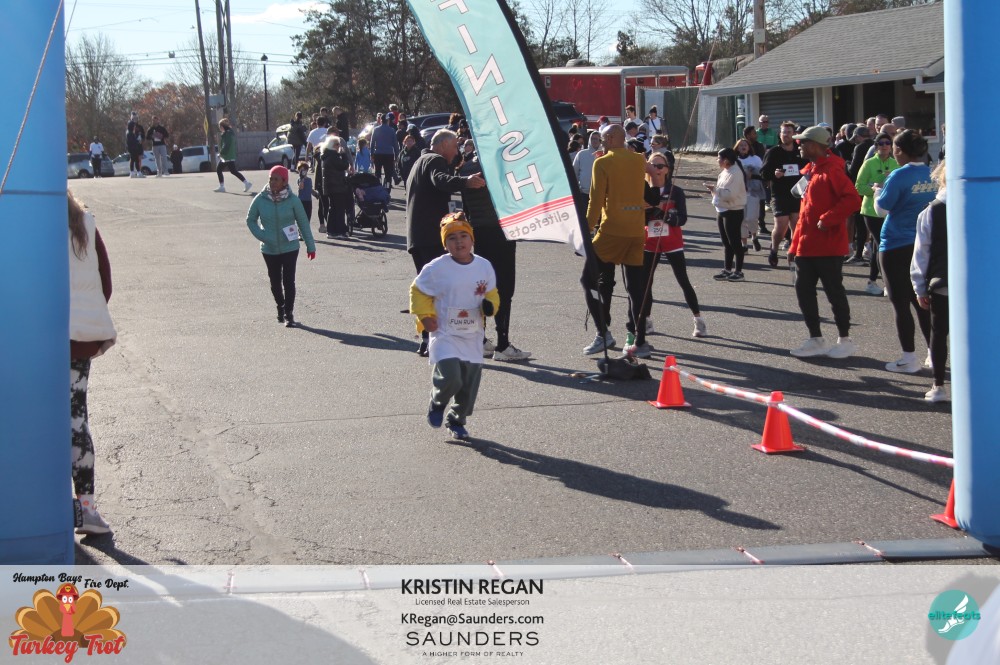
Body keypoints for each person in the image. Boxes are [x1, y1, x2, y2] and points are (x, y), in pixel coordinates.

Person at [410, 213, 499, 441]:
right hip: (445, 333)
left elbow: (492, 293)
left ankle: (457, 419)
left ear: (472, 239)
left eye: (463, 236)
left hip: (472, 335)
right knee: (451, 376)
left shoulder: (484, 266)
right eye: (451, 238)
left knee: (468, 385)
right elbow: (418, 291)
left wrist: (491, 306)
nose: (459, 242)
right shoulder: (436, 268)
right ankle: (438, 401)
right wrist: (425, 316)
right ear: (445, 244)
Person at [405, 129, 486, 356]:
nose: (456, 152)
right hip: (431, 236)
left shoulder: (419, 161)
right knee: (441, 289)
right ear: (443, 145)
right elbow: (440, 180)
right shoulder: (435, 160)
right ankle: (439, 340)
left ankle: (426, 338)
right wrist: (465, 182)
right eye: (454, 147)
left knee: (427, 288)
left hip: (417, 236)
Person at [786, 126, 862, 358]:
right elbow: (804, 215)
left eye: (803, 142)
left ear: (815, 145)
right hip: (806, 246)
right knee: (804, 291)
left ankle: (845, 339)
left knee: (834, 292)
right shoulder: (812, 171)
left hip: (828, 246)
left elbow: (852, 199)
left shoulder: (831, 170)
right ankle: (816, 338)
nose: (799, 146)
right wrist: (794, 246)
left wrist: (828, 219)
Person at [68, 190, 117, 535]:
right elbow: (106, 283)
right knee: (76, 418)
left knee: (35, 419)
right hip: (79, 339)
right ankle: (86, 508)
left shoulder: (21, 220)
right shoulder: (85, 222)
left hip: (31, 340)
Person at [582, 124, 649, 356]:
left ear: (610, 138)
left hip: (611, 230)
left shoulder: (602, 163)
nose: (600, 143)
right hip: (636, 230)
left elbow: (595, 200)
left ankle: (603, 332)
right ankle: (640, 340)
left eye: (602, 139)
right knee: (635, 287)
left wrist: (587, 229)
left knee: (589, 280)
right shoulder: (638, 160)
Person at [628, 152, 706, 348]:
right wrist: (647, 213)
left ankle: (698, 319)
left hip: (672, 241)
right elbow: (636, 215)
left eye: (660, 166)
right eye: (652, 165)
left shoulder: (676, 191)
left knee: (683, 279)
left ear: (667, 169)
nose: (656, 169)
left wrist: (666, 216)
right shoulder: (643, 188)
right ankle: (646, 319)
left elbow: (682, 218)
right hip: (650, 241)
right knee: (646, 283)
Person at [875, 129, 936, 374]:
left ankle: (909, 357)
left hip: (895, 243)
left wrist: (876, 192)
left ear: (899, 150)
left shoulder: (899, 175)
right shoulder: (933, 172)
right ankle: (934, 353)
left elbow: (882, 209)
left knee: (900, 303)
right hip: (925, 243)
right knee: (923, 301)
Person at [459, 155, 532, 362]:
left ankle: (481, 339)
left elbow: (466, 205)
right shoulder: (500, 166)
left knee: (482, 288)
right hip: (501, 231)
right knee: (504, 290)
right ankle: (503, 343)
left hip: (479, 231)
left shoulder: (466, 168)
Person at [245, 165, 316, 327]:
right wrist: (263, 236)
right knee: (275, 281)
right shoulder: (261, 199)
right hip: (269, 248)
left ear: (284, 181)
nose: (272, 182)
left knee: (289, 281)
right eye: (271, 179)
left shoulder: (293, 200)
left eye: (276, 179)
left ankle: (288, 313)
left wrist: (310, 246)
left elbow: (303, 223)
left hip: (290, 247)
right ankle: (280, 306)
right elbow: (250, 220)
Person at [910, 160, 949, 402]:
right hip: (980, 285)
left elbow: (921, 252)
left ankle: (938, 384)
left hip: (942, 281)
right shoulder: (985, 203)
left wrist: (919, 287)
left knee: (939, 332)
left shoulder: (932, 211)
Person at [855, 131, 899, 295]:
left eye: (888, 143)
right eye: (881, 143)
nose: (885, 146)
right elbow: (859, 186)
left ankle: (872, 281)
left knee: (877, 247)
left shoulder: (895, 164)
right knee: (882, 244)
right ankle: (888, 283)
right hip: (871, 210)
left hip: (888, 210)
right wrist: (875, 189)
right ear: (876, 147)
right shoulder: (869, 164)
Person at [761, 121, 808, 267]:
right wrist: (774, 174)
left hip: (797, 193)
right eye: (783, 132)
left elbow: (808, 168)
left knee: (795, 224)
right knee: (781, 225)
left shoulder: (799, 152)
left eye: (788, 132)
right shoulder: (773, 152)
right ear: (779, 134)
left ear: (794, 134)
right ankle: (774, 249)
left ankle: (793, 253)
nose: (785, 135)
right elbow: (763, 173)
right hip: (779, 194)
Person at [706, 147, 748, 282]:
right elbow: (722, 191)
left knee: (734, 242)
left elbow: (730, 195)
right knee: (726, 243)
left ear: (726, 160)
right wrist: (715, 190)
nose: (717, 160)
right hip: (722, 209)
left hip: (733, 211)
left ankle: (739, 271)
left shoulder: (735, 173)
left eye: (719, 158)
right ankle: (727, 269)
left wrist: (715, 189)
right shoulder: (726, 171)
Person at [736, 138, 765, 253]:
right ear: (737, 148)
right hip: (739, 192)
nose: (743, 147)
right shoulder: (735, 160)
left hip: (753, 191)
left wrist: (751, 175)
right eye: (741, 145)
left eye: (745, 145)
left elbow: (762, 174)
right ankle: (744, 244)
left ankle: (754, 236)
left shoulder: (755, 159)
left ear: (749, 147)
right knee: (741, 219)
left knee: (751, 217)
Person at [321, 135, 353, 239]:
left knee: (333, 209)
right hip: (337, 186)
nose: (339, 146)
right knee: (339, 209)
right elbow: (344, 165)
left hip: (330, 186)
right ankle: (340, 230)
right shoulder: (333, 156)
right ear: (333, 145)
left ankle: (331, 230)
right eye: (337, 144)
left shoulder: (326, 155)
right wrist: (343, 155)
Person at [214, 118, 252, 193]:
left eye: (220, 126)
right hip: (229, 155)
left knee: (219, 169)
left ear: (222, 126)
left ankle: (222, 187)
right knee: (233, 171)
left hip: (227, 156)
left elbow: (226, 145)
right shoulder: (229, 133)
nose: (219, 128)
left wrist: (221, 153)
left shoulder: (227, 134)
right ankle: (246, 183)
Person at [573, 131, 603, 209]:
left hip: (602, 193)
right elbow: (574, 172)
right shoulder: (582, 154)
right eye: (592, 139)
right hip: (585, 192)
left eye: (596, 139)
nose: (594, 141)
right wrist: (576, 188)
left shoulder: (605, 154)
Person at [370, 114, 399, 191]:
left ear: (381, 120)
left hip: (378, 154)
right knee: (388, 175)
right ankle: (387, 189)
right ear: (388, 121)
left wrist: (371, 154)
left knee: (378, 174)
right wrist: (396, 156)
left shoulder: (376, 129)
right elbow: (395, 144)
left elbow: (372, 143)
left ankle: (378, 188)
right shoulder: (392, 130)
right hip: (389, 154)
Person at [295, 160, 315, 229]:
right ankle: (300, 231)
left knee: (308, 217)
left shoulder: (309, 180)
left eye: (304, 170)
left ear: (307, 171)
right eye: (300, 170)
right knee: (301, 218)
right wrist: (302, 178)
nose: (302, 172)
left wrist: (315, 193)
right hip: (301, 201)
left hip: (308, 201)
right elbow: (301, 187)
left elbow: (310, 189)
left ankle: (306, 231)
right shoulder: (300, 180)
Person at [125, 113, 145, 178]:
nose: (134, 127)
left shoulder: (130, 132)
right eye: (133, 126)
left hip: (133, 148)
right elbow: (132, 141)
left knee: (135, 160)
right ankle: (134, 172)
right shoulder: (130, 133)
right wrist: (137, 141)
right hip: (133, 148)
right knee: (134, 160)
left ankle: (136, 172)